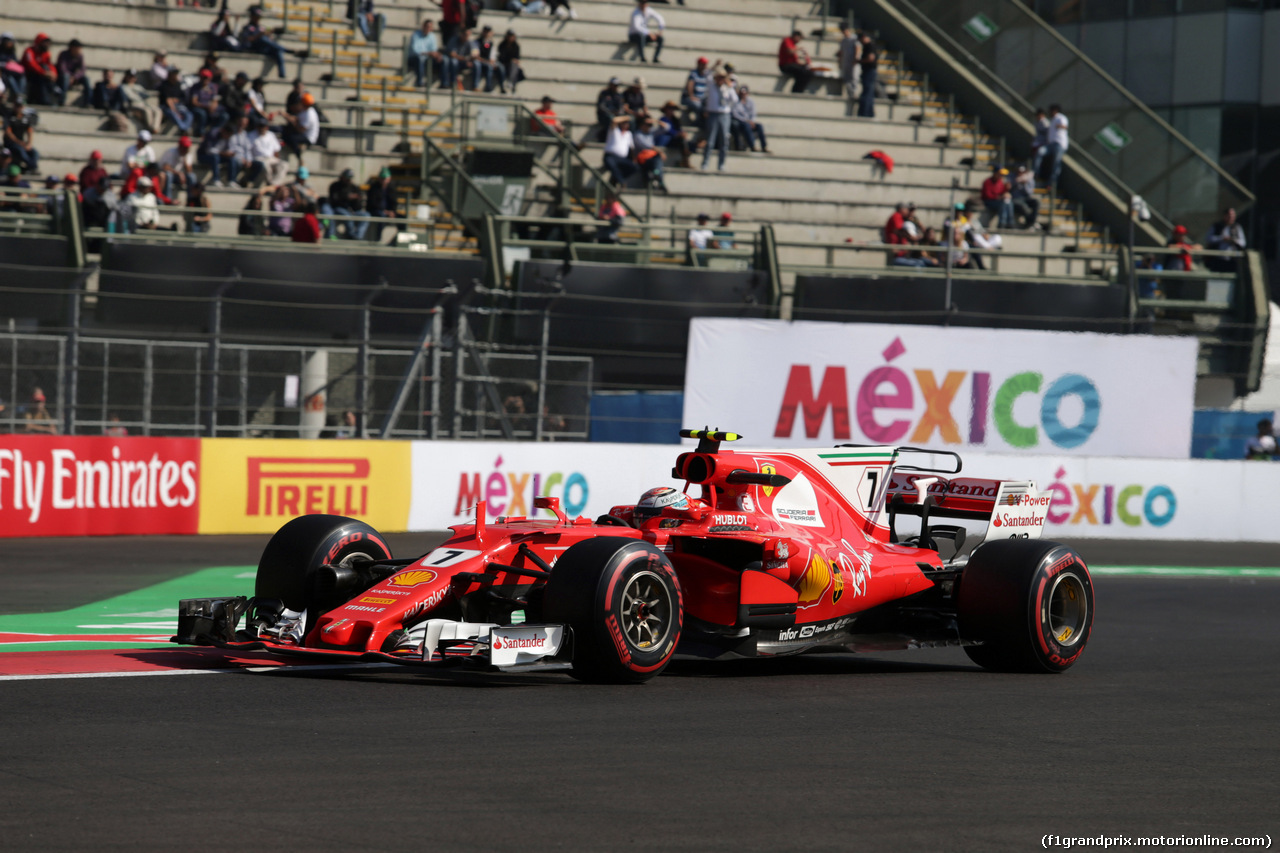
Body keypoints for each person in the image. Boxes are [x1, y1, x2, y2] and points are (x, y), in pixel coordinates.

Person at [240, 6, 290, 79]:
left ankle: (282, 75)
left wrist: (269, 34)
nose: (258, 19)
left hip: (265, 48)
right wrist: (259, 35)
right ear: (252, 16)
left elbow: (268, 37)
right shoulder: (247, 27)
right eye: (256, 17)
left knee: (278, 51)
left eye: (259, 17)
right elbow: (247, 39)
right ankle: (286, 50)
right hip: (255, 47)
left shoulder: (262, 27)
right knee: (262, 38)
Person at [701, 70, 737, 171]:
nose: (721, 79)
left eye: (723, 78)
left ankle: (721, 164)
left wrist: (730, 87)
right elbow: (707, 76)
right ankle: (705, 163)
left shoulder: (727, 88)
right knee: (710, 140)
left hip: (724, 114)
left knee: (724, 141)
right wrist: (715, 66)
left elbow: (734, 100)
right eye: (719, 77)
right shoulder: (711, 86)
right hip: (713, 113)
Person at [322, 168, 370, 239]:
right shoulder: (335, 186)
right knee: (346, 215)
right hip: (338, 209)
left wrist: (357, 199)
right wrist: (347, 197)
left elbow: (358, 207)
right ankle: (351, 235)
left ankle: (358, 237)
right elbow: (334, 200)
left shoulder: (354, 187)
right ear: (342, 177)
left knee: (366, 215)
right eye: (347, 178)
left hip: (351, 211)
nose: (348, 180)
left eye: (350, 178)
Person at [408, 20, 448, 88]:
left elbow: (434, 50)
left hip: (427, 58)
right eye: (427, 27)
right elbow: (416, 51)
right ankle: (420, 82)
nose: (428, 29)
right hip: (414, 58)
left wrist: (437, 55)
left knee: (444, 59)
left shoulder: (432, 36)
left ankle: (444, 83)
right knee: (420, 58)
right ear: (423, 26)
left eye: (430, 27)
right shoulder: (416, 35)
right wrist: (429, 53)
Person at [1205, 207, 1246, 273]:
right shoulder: (1216, 226)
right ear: (1225, 216)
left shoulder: (1237, 227)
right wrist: (1222, 239)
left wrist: (1234, 240)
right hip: (1217, 259)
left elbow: (1243, 243)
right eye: (1229, 216)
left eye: (1233, 216)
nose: (1231, 218)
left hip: (1232, 260)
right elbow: (1208, 239)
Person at [632, 115, 667, 193]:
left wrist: (655, 121)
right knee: (657, 159)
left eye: (650, 125)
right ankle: (658, 178)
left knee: (657, 160)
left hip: (652, 157)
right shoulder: (637, 134)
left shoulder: (650, 132)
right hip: (642, 158)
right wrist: (659, 151)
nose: (649, 126)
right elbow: (645, 146)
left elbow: (666, 128)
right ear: (641, 125)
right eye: (647, 124)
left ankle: (656, 174)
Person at [365, 166, 402, 240]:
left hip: (388, 211)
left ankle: (398, 240)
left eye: (385, 179)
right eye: (382, 178)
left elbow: (394, 202)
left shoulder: (391, 189)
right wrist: (384, 211)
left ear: (389, 179)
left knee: (403, 218)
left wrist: (392, 211)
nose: (384, 180)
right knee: (381, 216)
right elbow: (372, 203)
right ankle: (377, 239)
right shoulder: (374, 188)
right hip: (376, 211)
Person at [281, 92, 320, 160]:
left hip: (308, 137)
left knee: (290, 138)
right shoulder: (304, 111)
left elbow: (301, 130)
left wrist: (294, 123)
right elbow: (297, 119)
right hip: (303, 134)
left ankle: (299, 156)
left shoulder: (309, 114)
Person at [22, 34, 58, 106]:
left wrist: (54, 73)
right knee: (43, 71)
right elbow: (32, 65)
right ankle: (46, 97)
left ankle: (52, 96)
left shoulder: (46, 53)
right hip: (28, 74)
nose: (47, 45)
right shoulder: (29, 51)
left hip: (40, 76)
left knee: (45, 71)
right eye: (45, 42)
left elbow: (50, 65)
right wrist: (44, 73)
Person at [603, 115, 637, 188]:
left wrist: (634, 158)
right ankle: (621, 181)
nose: (625, 125)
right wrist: (626, 117)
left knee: (634, 167)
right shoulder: (614, 130)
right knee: (612, 165)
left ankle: (615, 179)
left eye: (627, 123)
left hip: (622, 159)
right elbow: (614, 120)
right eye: (623, 123)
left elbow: (631, 148)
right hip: (610, 156)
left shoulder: (629, 134)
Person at [655, 100, 691, 168]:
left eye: (673, 109)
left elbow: (679, 129)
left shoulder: (675, 120)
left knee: (690, 144)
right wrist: (677, 134)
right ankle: (684, 160)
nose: (671, 111)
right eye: (670, 108)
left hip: (674, 139)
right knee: (682, 141)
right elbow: (667, 130)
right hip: (667, 140)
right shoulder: (663, 119)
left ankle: (684, 160)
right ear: (666, 109)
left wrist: (682, 133)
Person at [730, 85, 767, 153]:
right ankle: (752, 146)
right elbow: (735, 114)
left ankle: (764, 146)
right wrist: (746, 120)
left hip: (749, 121)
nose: (743, 95)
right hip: (741, 121)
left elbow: (753, 113)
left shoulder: (750, 101)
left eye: (745, 93)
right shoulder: (735, 101)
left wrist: (751, 121)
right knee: (746, 126)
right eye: (742, 93)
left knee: (759, 126)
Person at [188, 69, 223, 137]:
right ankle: (200, 132)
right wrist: (206, 106)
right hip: (198, 107)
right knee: (202, 114)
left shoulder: (212, 87)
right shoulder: (196, 87)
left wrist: (213, 106)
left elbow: (215, 100)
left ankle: (214, 132)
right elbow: (194, 102)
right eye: (204, 77)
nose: (205, 79)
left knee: (223, 115)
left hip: (210, 107)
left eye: (207, 78)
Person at [158, 67, 193, 134]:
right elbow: (168, 101)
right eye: (174, 74)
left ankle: (185, 128)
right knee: (174, 114)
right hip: (166, 107)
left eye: (176, 74)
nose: (175, 75)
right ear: (169, 74)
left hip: (178, 106)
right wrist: (176, 111)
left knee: (189, 114)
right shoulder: (164, 85)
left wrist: (176, 101)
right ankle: (183, 128)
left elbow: (181, 98)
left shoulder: (178, 84)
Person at [4, 107, 38, 173]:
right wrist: (18, 142)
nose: (18, 108)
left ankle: (31, 167)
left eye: (20, 106)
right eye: (17, 106)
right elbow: (8, 132)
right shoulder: (9, 116)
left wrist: (29, 143)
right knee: (21, 151)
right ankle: (32, 167)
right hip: (11, 143)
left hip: (21, 143)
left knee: (35, 152)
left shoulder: (25, 118)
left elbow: (30, 130)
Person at [55, 39, 87, 107]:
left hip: (74, 77)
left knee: (86, 79)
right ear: (73, 48)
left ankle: (87, 102)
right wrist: (70, 77)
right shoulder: (63, 54)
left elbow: (82, 69)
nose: (80, 50)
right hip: (63, 77)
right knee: (66, 77)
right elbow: (62, 68)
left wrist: (74, 77)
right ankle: (62, 100)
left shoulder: (80, 56)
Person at [778, 30, 812, 95]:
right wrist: (799, 49)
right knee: (802, 71)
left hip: (792, 65)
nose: (799, 41)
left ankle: (799, 90)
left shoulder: (793, 45)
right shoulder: (787, 40)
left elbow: (795, 61)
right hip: (785, 65)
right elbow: (789, 51)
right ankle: (796, 91)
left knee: (808, 72)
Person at [1043, 103, 1069, 189]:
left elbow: (1065, 126)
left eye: (1051, 111)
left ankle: (1052, 183)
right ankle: (1035, 173)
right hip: (1051, 144)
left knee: (1056, 164)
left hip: (1059, 144)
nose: (1050, 112)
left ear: (1055, 110)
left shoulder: (1060, 117)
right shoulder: (1053, 120)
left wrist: (1059, 126)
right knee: (1040, 152)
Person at [1011, 164, 1039, 229]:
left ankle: (1032, 222)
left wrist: (1024, 184)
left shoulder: (1029, 180)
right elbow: (1010, 189)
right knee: (1024, 206)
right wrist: (1016, 183)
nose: (1020, 173)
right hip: (1016, 198)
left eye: (1022, 172)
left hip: (1026, 198)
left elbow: (1029, 193)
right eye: (1019, 172)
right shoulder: (1012, 178)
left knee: (1036, 203)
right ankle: (1030, 223)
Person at [836, 22, 859, 100]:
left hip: (853, 62)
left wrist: (856, 58)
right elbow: (841, 51)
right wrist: (839, 61)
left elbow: (857, 48)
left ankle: (854, 93)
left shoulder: (854, 38)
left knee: (854, 77)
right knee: (847, 78)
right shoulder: (844, 41)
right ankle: (850, 94)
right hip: (846, 62)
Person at [857, 32, 878, 118]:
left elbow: (870, 58)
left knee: (867, 93)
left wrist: (859, 61)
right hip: (869, 71)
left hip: (869, 71)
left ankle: (865, 113)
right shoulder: (869, 46)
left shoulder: (869, 46)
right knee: (869, 92)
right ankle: (869, 113)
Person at [1029, 108, 1049, 180]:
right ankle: (1034, 173)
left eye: (1038, 115)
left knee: (1038, 158)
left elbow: (1048, 134)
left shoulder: (1044, 122)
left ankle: (1036, 173)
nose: (1037, 116)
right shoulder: (1038, 122)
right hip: (1037, 144)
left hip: (1042, 144)